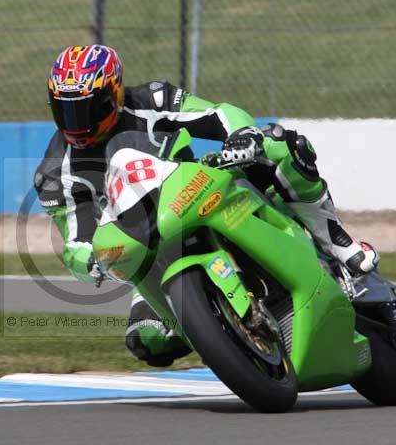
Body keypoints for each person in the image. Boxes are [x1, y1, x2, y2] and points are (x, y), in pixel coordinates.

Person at [35, 44, 378, 366]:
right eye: (66, 110)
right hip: (146, 246)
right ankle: (221, 329)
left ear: (115, 94)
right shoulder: (54, 174)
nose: (76, 123)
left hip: (197, 187)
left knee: (279, 143)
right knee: (146, 340)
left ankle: (335, 239)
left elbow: (220, 114)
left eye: (87, 109)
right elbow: (75, 240)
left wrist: (242, 136)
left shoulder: (150, 99)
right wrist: (91, 259)